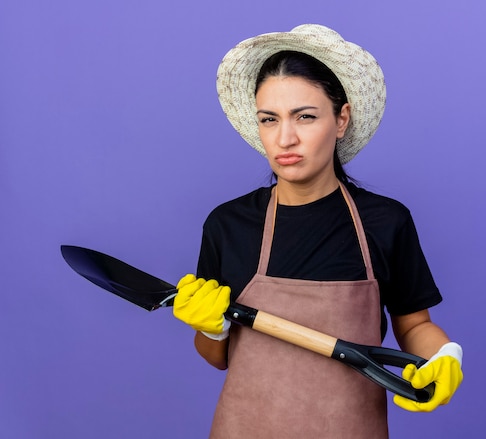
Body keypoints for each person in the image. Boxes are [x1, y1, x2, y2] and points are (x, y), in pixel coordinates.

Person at [171, 24, 463, 438]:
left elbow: (414, 326)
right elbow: (218, 356)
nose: (285, 138)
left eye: (305, 117)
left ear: (341, 119)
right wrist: (207, 327)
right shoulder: (228, 224)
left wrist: (444, 356)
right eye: (269, 119)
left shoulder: (385, 222)